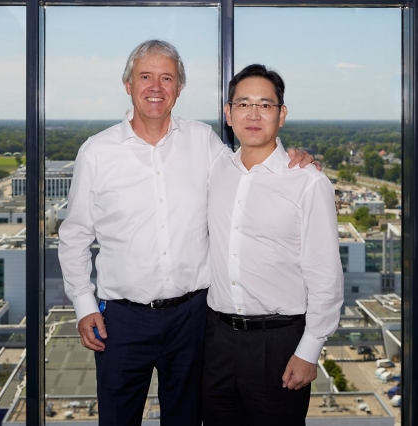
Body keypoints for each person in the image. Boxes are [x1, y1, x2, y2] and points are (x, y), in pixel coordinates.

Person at [58, 41, 317, 426]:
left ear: (179, 89)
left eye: (167, 78)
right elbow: (75, 234)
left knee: (186, 420)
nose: (156, 87)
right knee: (116, 419)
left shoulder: (204, 141)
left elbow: (250, 169)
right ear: (128, 84)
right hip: (122, 322)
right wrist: (84, 304)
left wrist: (294, 158)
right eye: (146, 76)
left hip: (193, 321)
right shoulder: (97, 152)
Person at [203, 64, 344, 426]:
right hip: (216, 341)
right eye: (243, 104)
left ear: (281, 115)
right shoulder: (215, 170)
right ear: (228, 113)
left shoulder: (308, 183)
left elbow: (325, 275)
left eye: (265, 105)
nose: (253, 114)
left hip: (279, 346)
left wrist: (309, 351)